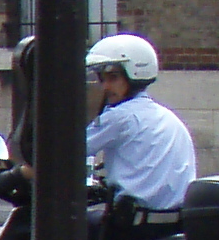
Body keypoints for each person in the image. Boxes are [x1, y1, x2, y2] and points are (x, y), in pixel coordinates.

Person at [81, 32, 196, 211]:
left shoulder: (120, 117)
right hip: (169, 222)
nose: (105, 86)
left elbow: (65, 154)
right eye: (102, 78)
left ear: (133, 74)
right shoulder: (167, 117)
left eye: (113, 77)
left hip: (130, 224)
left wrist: (22, 172)